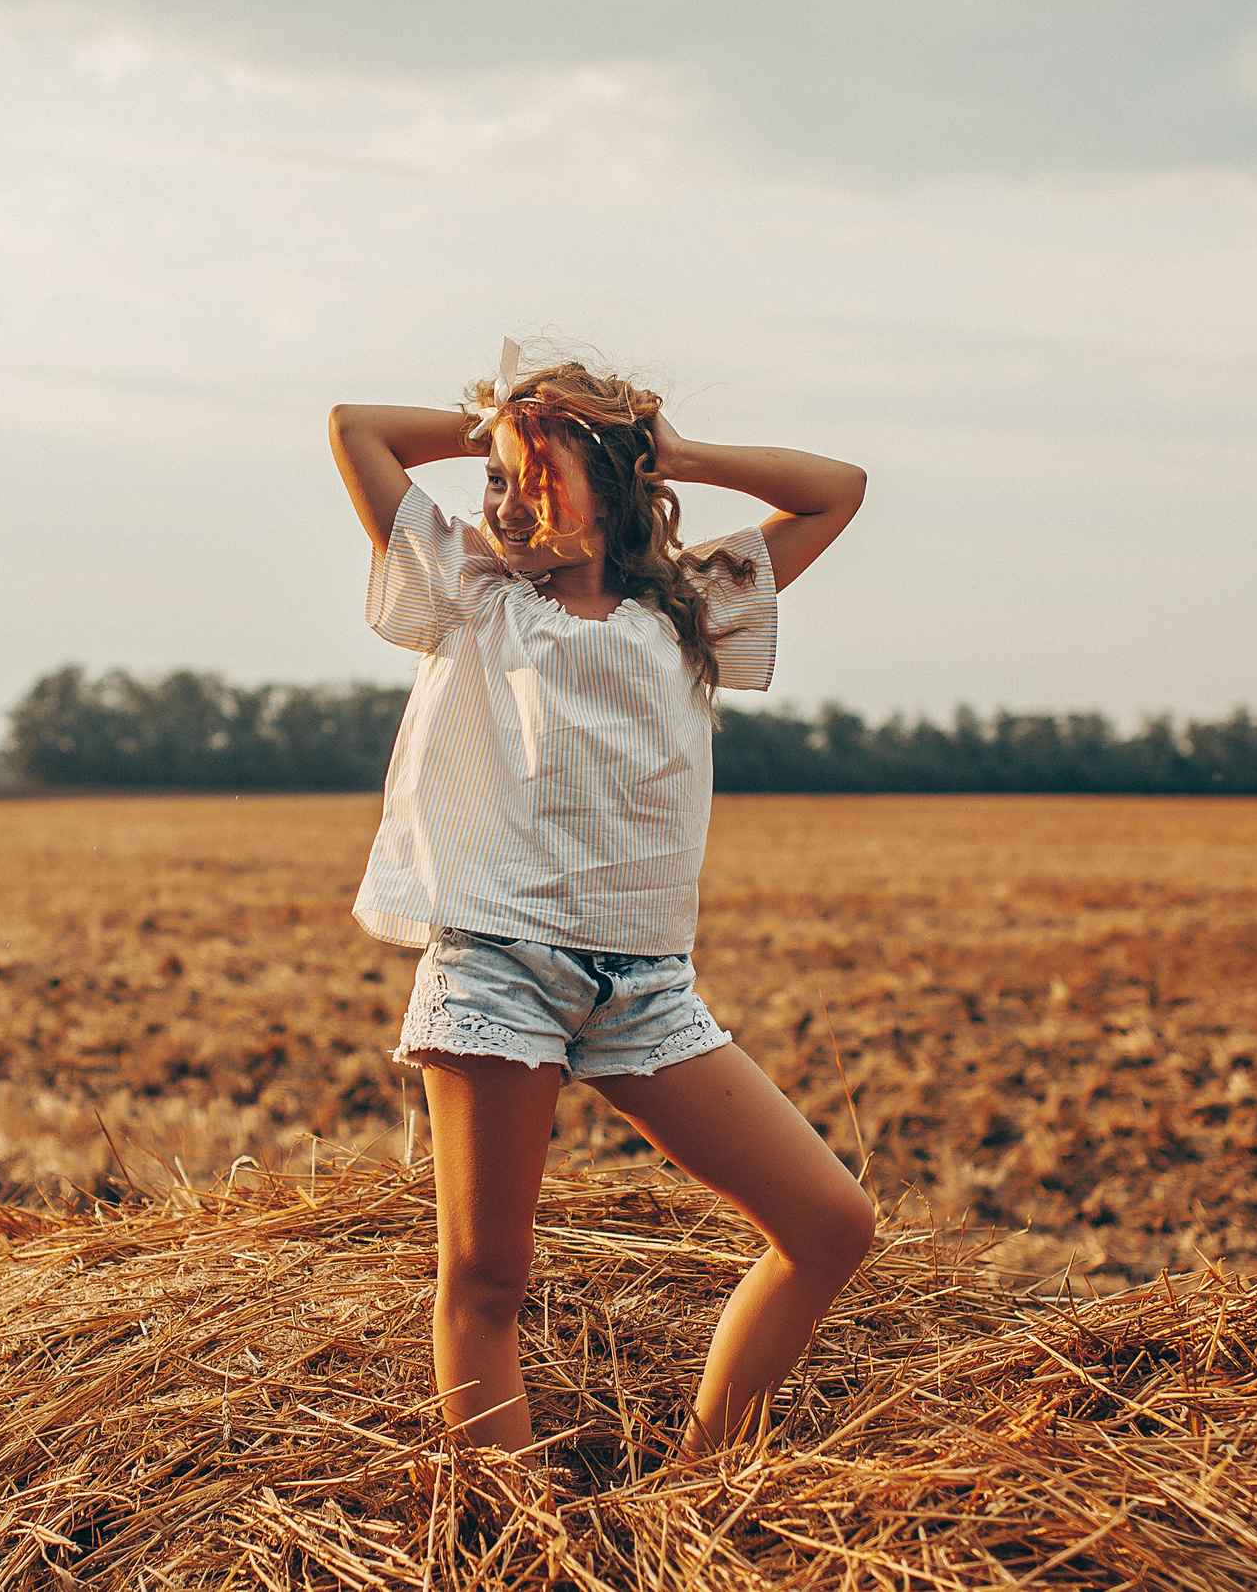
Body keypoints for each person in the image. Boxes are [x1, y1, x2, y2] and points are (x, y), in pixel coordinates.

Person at [328, 340, 876, 1459]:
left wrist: (666, 445)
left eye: (536, 483)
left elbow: (839, 491)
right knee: (486, 1279)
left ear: (619, 486)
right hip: (497, 969)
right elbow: (356, 428)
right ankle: (513, 1541)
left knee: (830, 1226)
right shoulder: (472, 596)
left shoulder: (692, 609)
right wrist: (505, 422)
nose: (507, 507)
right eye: (494, 482)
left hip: (645, 985)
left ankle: (701, 1489)